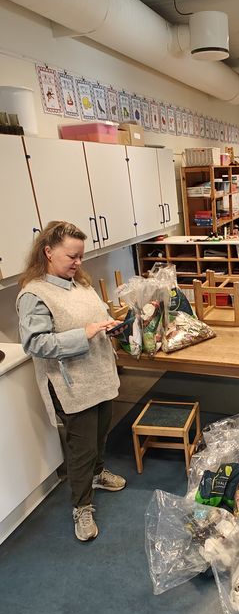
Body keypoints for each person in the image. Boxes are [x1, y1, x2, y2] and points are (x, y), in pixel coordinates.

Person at [17, 221, 125, 543]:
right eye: (71, 256)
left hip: (99, 375)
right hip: (72, 386)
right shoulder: (34, 294)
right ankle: (81, 506)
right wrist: (84, 334)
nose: (78, 262)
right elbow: (35, 343)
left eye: (81, 256)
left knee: (101, 432)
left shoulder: (81, 285)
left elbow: (96, 319)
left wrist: (110, 325)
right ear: (48, 252)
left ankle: (97, 474)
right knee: (81, 449)